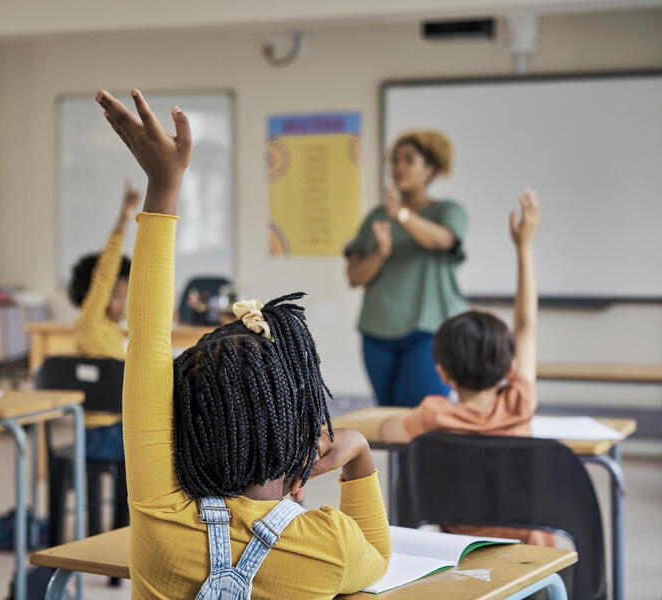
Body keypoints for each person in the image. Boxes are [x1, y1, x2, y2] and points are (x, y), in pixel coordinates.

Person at [96, 88, 390, 599]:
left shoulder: (158, 510)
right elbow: (379, 560)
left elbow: (147, 341)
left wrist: (163, 185)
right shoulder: (329, 544)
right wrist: (360, 455)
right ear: (299, 428)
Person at [378, 189, 550, 546]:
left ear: (441, 372)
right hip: (532, 562)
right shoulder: (519, 401)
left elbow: (386, 429)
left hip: (462, 554)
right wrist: (524, 248)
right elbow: (526, 325)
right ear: (507, 364)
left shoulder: (432, 416)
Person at [345, 130, 468, 408]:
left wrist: (400, 214)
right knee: (387, 419)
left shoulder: (448, 211)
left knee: (422, 417)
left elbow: (442, 240)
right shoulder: (376, 217)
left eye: (408, 160)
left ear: (429, 170)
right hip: (377, 332)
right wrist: (380, 253)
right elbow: (354, 277)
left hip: (429, 331)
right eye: (395, 160)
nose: (398, 167)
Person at [67, 182, 141, 460]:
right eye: (116, 295)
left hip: (116, 428)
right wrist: (125, 215)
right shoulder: (90, 319)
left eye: (126, 295)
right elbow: (106, 271)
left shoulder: (111, 330)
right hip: (100, 433)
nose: (123, 302)